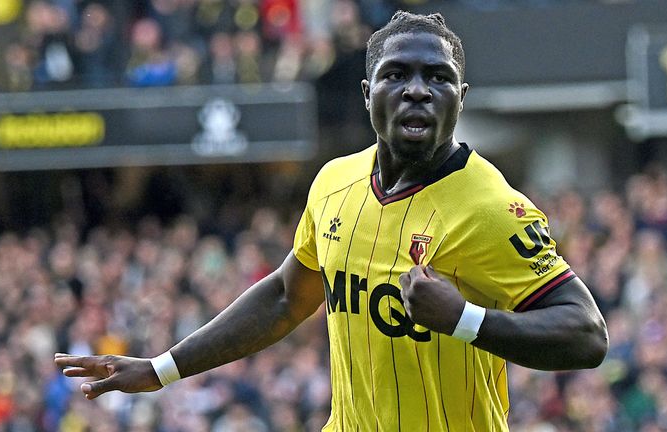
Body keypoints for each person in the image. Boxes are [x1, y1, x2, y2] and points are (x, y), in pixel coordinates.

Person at [55, 11, 608, 430]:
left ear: (460, 99)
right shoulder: (333, 182)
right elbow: (283, 298)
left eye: (437, 78)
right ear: (369, 94)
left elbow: (586, 334)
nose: (417, 89)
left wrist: (463, 320)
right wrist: (160, 370)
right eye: (398, 74)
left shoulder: (489, 207)